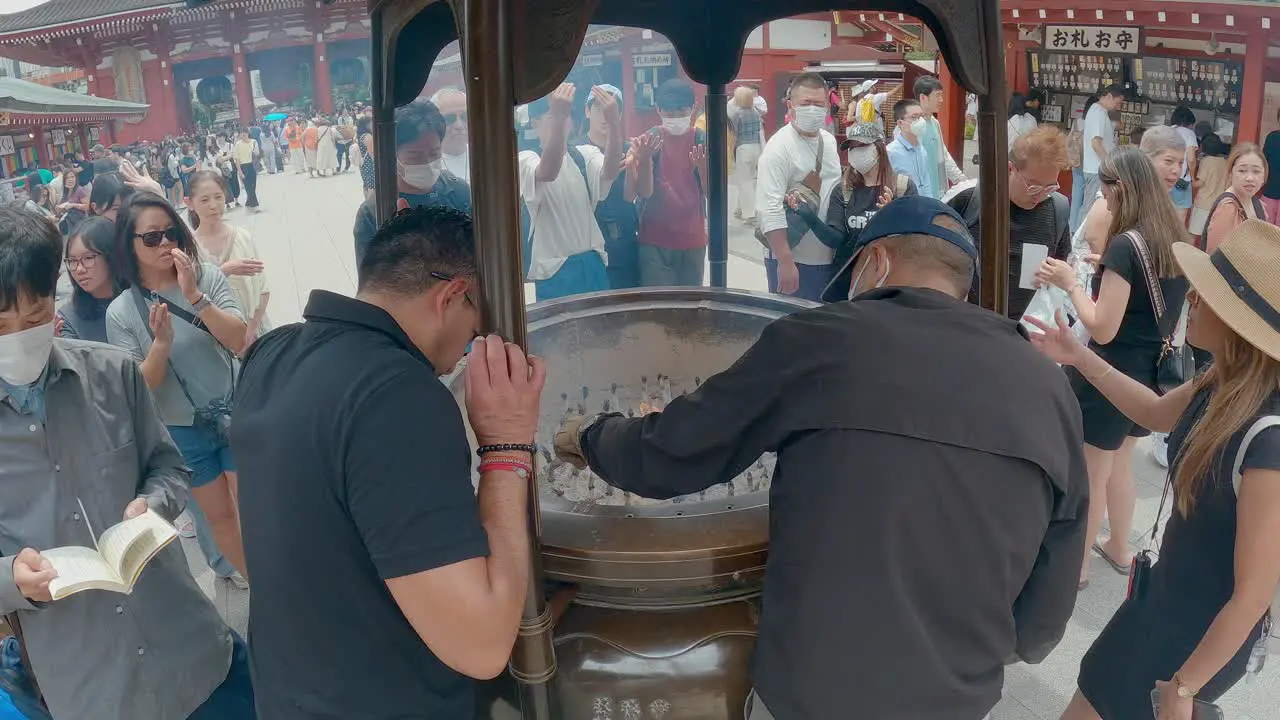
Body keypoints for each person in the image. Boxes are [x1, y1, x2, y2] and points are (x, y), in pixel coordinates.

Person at [555, 195, 1088, 720]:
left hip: (813, 693)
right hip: (956, 697)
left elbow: (672, 454)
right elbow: (1054, 577)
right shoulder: (1046, 386)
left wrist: (592, 436)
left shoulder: (822, 341)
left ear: (874, 262)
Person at [234, 205, 542, 718]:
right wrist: (507, 446)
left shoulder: (271, 352)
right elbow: (483, 646)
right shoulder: (399, 395)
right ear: (451, 296)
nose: (470, 349)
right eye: (475, 328)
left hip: (290, 691)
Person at [0, 205, 255, 720]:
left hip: (191, 651)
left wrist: (154, 503)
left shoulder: (114, 376)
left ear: (56, 301)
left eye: (32, 320)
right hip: (91, 685)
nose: (15, 338)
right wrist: (10, 579)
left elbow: (169, 467)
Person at [1030, 218, 1280, 720]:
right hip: (1159, 599)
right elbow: (1152, 411)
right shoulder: (1222, 381)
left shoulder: (1268, 438)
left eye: (1205, 295)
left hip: (1197, 635)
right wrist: (1078, 356)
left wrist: (1186, 688)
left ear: (1238, 325)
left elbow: (1252, 595)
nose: (1191, 300)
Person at [1035, 146, 1189, 589]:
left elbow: (1102, 327)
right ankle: (1119, 546)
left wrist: (1070, 283)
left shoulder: (1125, 245)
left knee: (1091, 473)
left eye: (1105, 193)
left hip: (1108, 374)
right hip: (1148, 376)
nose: (1103, 202)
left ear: (1119, 188)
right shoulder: (1171, 234)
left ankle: (1076, 567)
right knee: (1120, 465)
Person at [105, 192, 250, 584]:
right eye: (151, 238)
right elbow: (140, 385)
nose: (165, 243)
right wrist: (161, 345)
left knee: (254, 505)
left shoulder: (206, 276)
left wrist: (195, 298)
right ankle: (259, 581)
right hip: (182, 430)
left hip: (232, 410)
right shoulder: (121, 312)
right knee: (220, 517)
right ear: (129, 246)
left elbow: (238, 337)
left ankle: (280, 568)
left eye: (171, 233)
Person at [946, 125, 1072, 319]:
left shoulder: (1057, 209)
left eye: (1049, 187)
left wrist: (1054, 277)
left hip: (1024, 326)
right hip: (967, 320)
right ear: (1010, 169)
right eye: (1033, 186)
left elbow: (1062, 263)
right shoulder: (970, 198)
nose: (1040, 195)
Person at [520, 83, 623, 300]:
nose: (561, 122)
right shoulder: (526, 159)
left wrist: (614, 123)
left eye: (565, 116)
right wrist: (560, 119)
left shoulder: (584, 155)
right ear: (534, 123)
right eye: (552, 117)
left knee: (602, 330)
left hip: (592, 263)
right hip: (555, 271)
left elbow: (611, 170)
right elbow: (548, 171)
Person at [790, 114, 916, 283]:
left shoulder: (903, 187)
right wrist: (807, 215)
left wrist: (891, 216)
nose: (856, 152)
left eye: (862, 146)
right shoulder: (843, 191)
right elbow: (835, 239)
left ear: (879, 149)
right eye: (852, 148)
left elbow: (914, 240)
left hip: (889, 279)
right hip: (849, 278)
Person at [756, 72, 843, 300]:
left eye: (819, 104)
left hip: (827, 256)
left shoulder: (829, 141)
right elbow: (769, 208)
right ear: (790, 105)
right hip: (795, 260)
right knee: (791, 326)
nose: (813, 109)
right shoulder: (779, 148)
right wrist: (785, 261)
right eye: (806, 103)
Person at [353, 100, 473, 265]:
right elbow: (371, 285)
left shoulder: (459, 192)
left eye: (435, 153)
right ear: (393, 155)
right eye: (415, 156)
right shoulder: (373, 212)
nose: (427, 162)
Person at [634, 78, 708, 287]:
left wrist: (702, 169)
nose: (675, 117)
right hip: (655, 242)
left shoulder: (702, 139)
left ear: (693, 108)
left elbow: (713, 195)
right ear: (658, 110)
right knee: (659, 309)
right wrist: (646, 158)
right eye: (669, 112)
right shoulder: (651, 139)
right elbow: (644, 192)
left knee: (690, 309)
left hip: (693, 241)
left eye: (681, 111)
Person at [188, 171, 271, 343]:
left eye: (218, 197)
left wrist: (251, 330)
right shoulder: (189, 248)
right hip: (214, 337)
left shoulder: (242, 238)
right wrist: (224, 271)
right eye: (204, 200)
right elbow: (190, 296)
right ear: (190, 203)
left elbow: (263, 289)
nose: (213, 205)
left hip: (255, 332)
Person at [580, 84, 643, 290]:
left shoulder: (631, 149)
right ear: (587, 111)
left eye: (611, 110)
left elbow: (634, 194)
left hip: (623, 239)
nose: (606, 116)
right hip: (587, 242)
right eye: (599, 109)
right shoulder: (573, 151)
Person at [56, 216, 121, 342]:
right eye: (72, 261)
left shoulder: (138, 301)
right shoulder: (67, 318)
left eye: (88, 258)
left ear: (111, 256)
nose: (79, 269)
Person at [1203, 143, 1269, 254]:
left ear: (1264, 176)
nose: (1249, 178)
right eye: (1242, 171)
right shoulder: (1228, 208)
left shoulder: (1257, 203)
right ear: (1230, 173)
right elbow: (1216, 256)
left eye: (1256, 171)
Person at [913, 75, 967, 197]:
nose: (941, 100)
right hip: (918, 195)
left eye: (941, 95)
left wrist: (961, 180)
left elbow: (943, 156)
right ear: (923, 98)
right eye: (937, 95)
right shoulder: (910, 126)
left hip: (936, 193)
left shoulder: (934, 123)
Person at [1081, 84, 1124, 221]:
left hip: (1096, 169)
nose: (1118, 107)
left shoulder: (1099, 112)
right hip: (1096, 169)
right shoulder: (1098, 112)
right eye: (1118, 102)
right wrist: (1108, 164)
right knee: (1091, 208)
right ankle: (1080, 240)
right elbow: (1096, 144)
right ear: (1109, 96)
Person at [728, 84, 766, 226]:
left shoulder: (737, 113)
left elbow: (733, 132)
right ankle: (740, 208)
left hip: (743, 148)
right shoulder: (756, 112)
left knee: (744, 182)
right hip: (756, 147)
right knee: (747, 179)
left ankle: (749, 214)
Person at [886, 98, 936, 199]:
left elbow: (926, 183)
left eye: (921, 116)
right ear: (900, 123)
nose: (920, 121)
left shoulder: (922, 150)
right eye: (914, 117)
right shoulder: (890, 152)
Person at [1189, 132, 1231, 242]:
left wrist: (1191, 181)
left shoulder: (1206, 161)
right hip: (1218, 206)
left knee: (1192, 236)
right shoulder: (1226, 162)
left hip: (1203, 204)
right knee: (1209, 238)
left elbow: (1200, 183)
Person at [432, 87, 470, 183]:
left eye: (464, 117)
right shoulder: (426, 163)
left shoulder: (485, 156)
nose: (459, 125)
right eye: (450, 118)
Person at [1170, 106, 1199, 223]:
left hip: (1164, 180)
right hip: (1181, 181)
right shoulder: (1189, 134)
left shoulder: (1166, 131)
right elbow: (1191, 159)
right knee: (1179, 218)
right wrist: (1192, 177)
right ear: (1189, 122)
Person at [54, 169, 89, 235]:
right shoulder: (66, 191)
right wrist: (59, 208)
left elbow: (87, 207)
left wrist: (73, 205)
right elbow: (65, 207)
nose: (70, 179)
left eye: (72, 177)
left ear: (76, 178)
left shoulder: (79, 190)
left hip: (79, 222)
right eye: (67, 178)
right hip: (70, 222)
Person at [233, 129, 260, 212]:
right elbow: (237, 158)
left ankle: (249, 202)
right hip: (243, 166)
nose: (243, 135)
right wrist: (240, 171)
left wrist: (254, 151)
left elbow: (257, 153)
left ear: (248, 133)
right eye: (242, 134)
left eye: (245, 134)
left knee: (253, 186)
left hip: (252, 165)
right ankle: (255, 206)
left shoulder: (253, 142)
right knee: (248, 186)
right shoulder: (238, 144)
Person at [358, 114, 376, 199]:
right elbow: (372, 153)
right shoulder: (367, 136)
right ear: (366, 125)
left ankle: (367, 205)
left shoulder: (361, 136)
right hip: (371, 165)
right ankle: (370, 207)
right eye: (372, 123)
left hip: (364, 165)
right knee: (372, 188)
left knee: (367, 186)